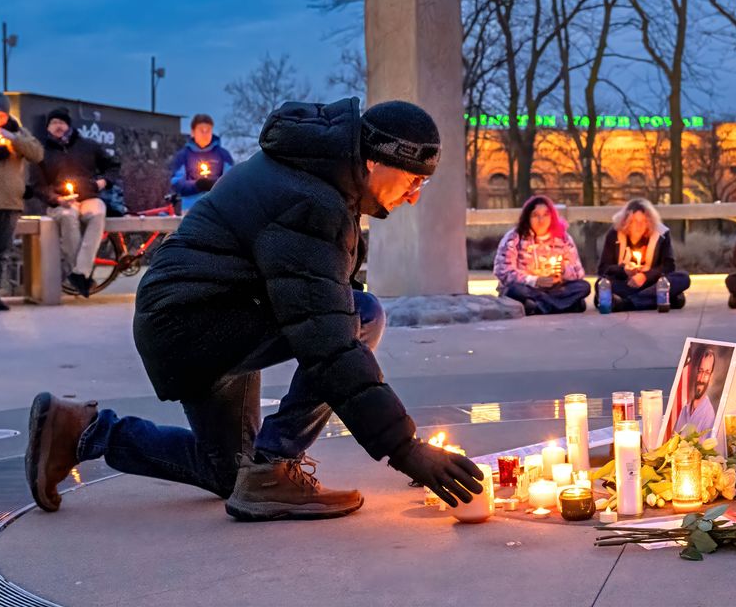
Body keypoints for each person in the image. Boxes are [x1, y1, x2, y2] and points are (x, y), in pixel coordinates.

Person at [24, 98, 483, 521]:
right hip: (196, 323)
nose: (415, 195)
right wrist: (404, 448)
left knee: (230, 475)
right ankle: (276, 466)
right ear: (377, 161)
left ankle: (84, 431)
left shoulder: (321, 181)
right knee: (361, 315)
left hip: (202, 316)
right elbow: (329, 343)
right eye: (414, 180)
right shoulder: (312, 202)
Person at [36, 107, 121, 298]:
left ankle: (79, 273)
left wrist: (103, 182)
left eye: (61, 122)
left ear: (68, 125)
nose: (58, 126)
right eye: (53, 123)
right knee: (68, 217)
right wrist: (57, 199)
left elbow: (113, 166)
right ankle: (82, 275)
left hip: (89, 196)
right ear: (48, 127)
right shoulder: (41, 152)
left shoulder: (88, 145)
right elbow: (37, 185)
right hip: (60, 203)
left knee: (98, 213)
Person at [0, 93, 43, 313]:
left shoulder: (18, 132)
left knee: (0, 252)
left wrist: (13, 139)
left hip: (10, 203)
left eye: (1, 115)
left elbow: (37, 154)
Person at [493, 195, 591, 315]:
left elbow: (578, 272)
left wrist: (564, 271)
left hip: (554, 289)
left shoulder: (563, 238)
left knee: (583, 287)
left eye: (546, 215)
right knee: (514, 291)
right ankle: (566, 305)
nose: (541, 219)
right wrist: (534, 280)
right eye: (535, 215)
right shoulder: (514, 237)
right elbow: (503, 271)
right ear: (527, 217)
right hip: (528, 288)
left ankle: (538, 307)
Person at [597, 198, 691, 311]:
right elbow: (603, 269)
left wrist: (645, 276)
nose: (639, 226)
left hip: (651, 284)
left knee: (682, 278)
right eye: (634, 222)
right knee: (602, 285)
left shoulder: (661, 234)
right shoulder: (614, 234)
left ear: (650, 221)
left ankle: (627, 303)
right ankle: (660, 299)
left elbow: (669, 267)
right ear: (626, 222)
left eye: (643, 221)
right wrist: (624, 271)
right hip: (625, 284)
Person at [170, 113, 235, 212]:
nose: (205, 134)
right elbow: (177, 183)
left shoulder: (223, 155)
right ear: (193, 132)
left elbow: (232, 182)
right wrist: (197, 185)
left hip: (218, 209)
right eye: (201, 130)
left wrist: (213, 184)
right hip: (190, 210)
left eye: (208, 130)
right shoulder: (183, 156)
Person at [674, 347, 717, 434]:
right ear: (695, 371)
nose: (701, 378)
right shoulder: (685, 408)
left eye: (707, 373)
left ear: (711, 377)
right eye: (700, 371)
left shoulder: (709, 415)